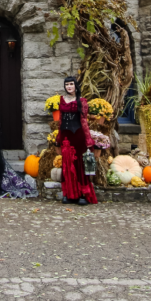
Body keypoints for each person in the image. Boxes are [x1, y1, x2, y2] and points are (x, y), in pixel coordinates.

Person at [56, 77, 97, 205]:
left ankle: (82, 194)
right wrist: (58, 137)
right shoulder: (62, 100)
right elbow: (61, 120)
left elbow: (84, 121)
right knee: (67, 165)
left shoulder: (81, 101)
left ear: (75, 86)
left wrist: (88, 140)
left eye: (71, 84)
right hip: (66, 136)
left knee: (79, 165)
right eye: (67, 84)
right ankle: (69, 194)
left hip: (78, 135)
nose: (69, 87)